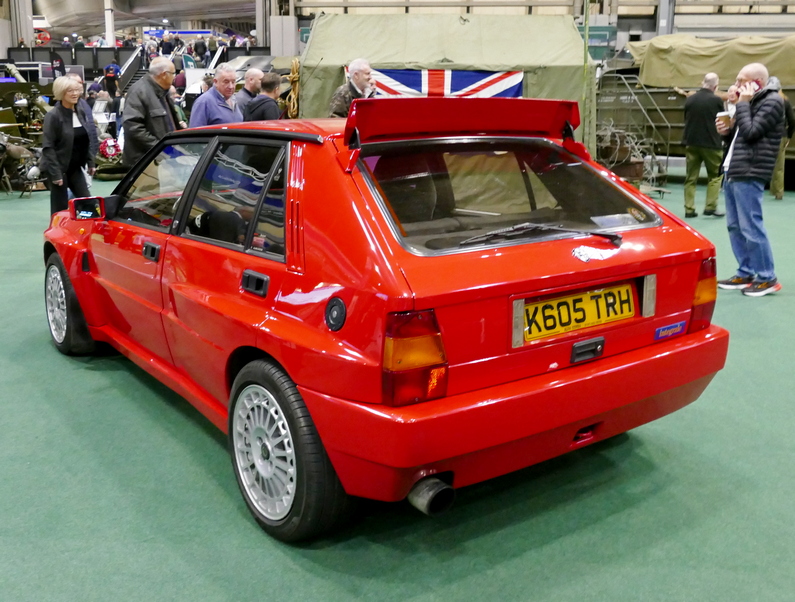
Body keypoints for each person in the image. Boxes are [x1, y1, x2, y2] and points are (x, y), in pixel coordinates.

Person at [716, 62, 785, 297]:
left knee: (751, 226)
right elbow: (740, 138)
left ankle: (767, 277)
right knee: (735, 225)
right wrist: (727, 132)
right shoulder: (752, 102)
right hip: (735, 169)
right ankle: (746, 272)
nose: (736, 85)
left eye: (741, 80)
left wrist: (742, 104)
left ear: (757, 83)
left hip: (751, 170)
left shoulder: (772, 102)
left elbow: (752, 132)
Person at [41, 76, 98, 215]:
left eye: (76, 90)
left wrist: (91, 163)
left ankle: (86, 225)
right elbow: (48, 147)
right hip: (58, 168)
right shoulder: (53, 116)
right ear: (61, 93)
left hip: (75, 168)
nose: (75, 94)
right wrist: (56, 174)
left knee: (88, 203)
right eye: (70, 91)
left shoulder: (80, 112)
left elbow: (85, 140)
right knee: (60, 209)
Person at [121, 57, 182, 166]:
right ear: (164, 74)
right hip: (144, 162)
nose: (175, 77)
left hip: (163, 159)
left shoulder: (163, 92)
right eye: (173, 73)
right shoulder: (139, 91)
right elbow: (133, 127)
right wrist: (160, 148)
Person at [682, 73, 726, 218]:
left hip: (691, 142)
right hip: (711, 144)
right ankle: (710, 207)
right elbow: (721, 122)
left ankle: (689, 209)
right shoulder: (716, 100)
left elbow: (686, 119)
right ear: (715, 86)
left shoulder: (690, 99)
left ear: (703, 83)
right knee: (715, 176)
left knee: (691, 177)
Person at [767, 76, 795, 200]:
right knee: (779, 165)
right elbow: (792, 120)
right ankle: (778, 192)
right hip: (781, 135)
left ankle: (771, 189)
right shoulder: (785, 101)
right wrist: (789, 136)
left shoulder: (765, 100)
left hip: (766, 135)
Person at [65, 72, 99, 163]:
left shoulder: (83, 103)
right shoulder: (68, 106)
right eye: (78, 83)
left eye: (81, 83)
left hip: (87, 155)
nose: (81, 85)